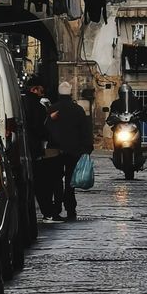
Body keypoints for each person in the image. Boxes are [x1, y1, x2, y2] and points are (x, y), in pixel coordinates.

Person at [45, 80, 93, 221]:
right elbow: (85, 130)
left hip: (55, 150)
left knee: (56, 181)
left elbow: (46, 129)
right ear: (70, 93)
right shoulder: (77, 110)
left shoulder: (52, 109)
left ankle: (57, 208)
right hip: (74, 151)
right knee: (70, 181)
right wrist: (87, 148)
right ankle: (70, 208)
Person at [24, 77, 57, 223]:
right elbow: (39, 127)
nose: (42, 93)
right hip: (35, 149)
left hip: (26, 148)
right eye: (40, 90)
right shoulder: (36, 106)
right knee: (42, 183)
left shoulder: (22, 103)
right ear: (34, 89)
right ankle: (48, 212)